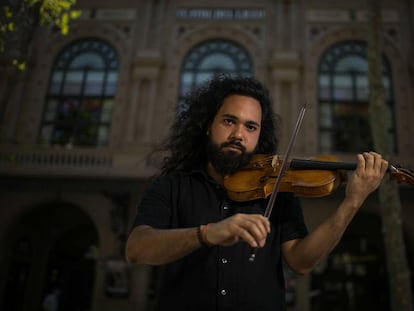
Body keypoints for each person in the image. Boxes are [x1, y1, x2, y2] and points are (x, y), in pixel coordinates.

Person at [125, 75, 388, 311]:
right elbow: (137, 248)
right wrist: (208, 233)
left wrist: (352, 202)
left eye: (251, 127)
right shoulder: (172, 186)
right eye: (229, 121)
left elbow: (301, 261)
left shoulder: (277, 190)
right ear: (208, 125)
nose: (238, 134)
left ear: (259, 134)